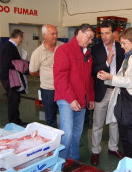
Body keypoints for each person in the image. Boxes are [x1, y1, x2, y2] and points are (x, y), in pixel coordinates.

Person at [97, 27, 132, 162]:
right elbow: (122, 77)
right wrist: (107, 78)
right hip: (123, 100)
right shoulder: (129, 56)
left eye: (124, 43)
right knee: (125, 138)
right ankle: (129, 164)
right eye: (121, 43)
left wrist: (111, 77)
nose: (121, 46)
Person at [54, 23, 95, 160]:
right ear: (80, 33)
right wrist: (71, 99)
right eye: (89, 38)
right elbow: (60, 78)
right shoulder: (64, 50)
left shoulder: (88, 54)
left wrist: (91, 98)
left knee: (77, 133)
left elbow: (88, 79)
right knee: (67, 133)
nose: (90, 41)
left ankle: (73, 161)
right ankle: (61, 163)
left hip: (82, 99)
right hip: (67, 98)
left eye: (91, 39)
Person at [90, 20, 125, 165]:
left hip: (116, 90)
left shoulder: (121, 47)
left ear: (114, 33)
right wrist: (106, 63)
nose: (104, 36)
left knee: (114, 121)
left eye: (107, 33)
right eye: (102, 33)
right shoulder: (96, 49)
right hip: (102, 90)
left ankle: (113, 147)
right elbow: (92, 70)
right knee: (98, 123)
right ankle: (95, 151)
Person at [29, 24, 63, 128]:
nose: (55, 36)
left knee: (67, 114)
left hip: (63, 87)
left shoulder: (63, 46)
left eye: (56, 33)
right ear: (44, 35)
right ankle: (54, 138)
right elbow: (32, 71)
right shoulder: (37, 53)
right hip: (48, 89)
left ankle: (66, 138)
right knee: (50, 115)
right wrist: (44, 75)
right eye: (52, 34)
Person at [0, 29, 26, 125]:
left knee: (15, 99)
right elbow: (8, 63)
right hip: (9, 78)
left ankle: (16, 119)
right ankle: (14, 122)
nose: (21, 41)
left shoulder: (11, 46)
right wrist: (21, 65)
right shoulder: (9, 46)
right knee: (13, 100)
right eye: (21, 39)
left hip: (11, 77)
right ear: (19, 37)